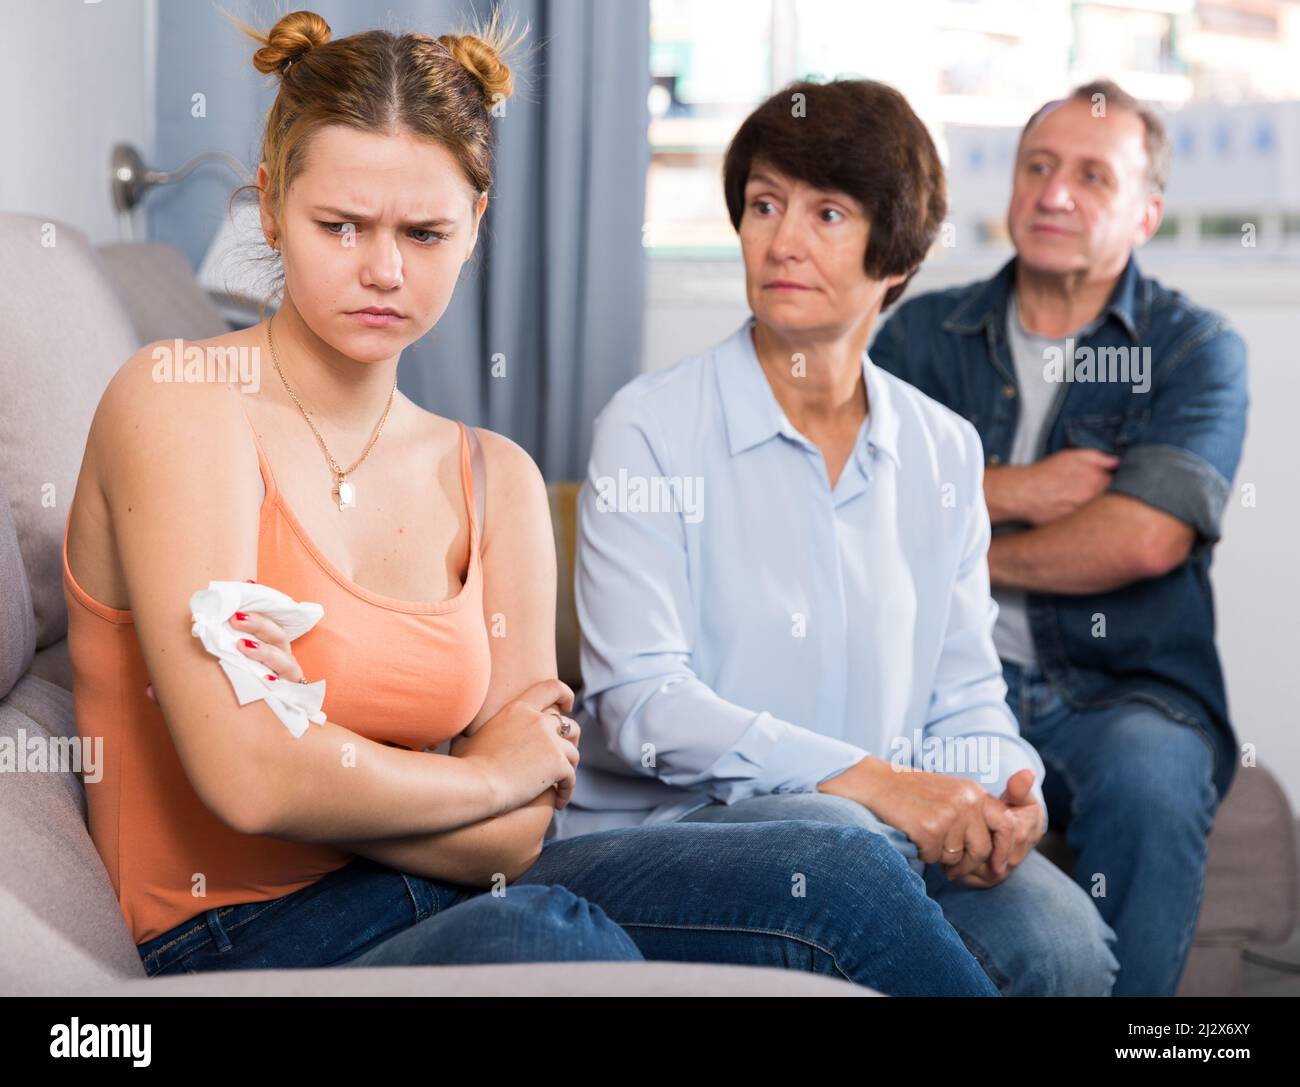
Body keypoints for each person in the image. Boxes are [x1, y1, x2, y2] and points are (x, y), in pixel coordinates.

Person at [60, 9, 998, 996]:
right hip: (235, 933)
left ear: (475, 224)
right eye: (339, 226)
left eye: (424, 232)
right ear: (268, 205)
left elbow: (521, 829)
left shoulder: (494, 475)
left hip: (467, 889)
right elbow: (248, 776)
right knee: (552, 937)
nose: (383, 269)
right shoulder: (180, 399)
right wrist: (482, 775)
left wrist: (452, 792)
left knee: (842, 876)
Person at [555, 78, 1118, 997]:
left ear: (895, 256)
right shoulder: (650, 424)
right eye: (765, 204)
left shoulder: (941, 446)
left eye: (827, 213)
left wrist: (1013, 793)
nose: (782, 240)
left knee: (1062, 940)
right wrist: (870, 780)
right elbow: (641, 705)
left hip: (879, 830)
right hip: (675, 829)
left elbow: (967, 693)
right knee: (848, 842)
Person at [868, 80, 1249, 996]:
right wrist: (1025, 491)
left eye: (1091, 175)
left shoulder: (1195, 348)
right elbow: (861, 510)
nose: (1054, 193)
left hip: (1123, 690)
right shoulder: (922, 333)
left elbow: (1145, 539)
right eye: (1036, 167)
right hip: (945, 691)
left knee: (1153, 783)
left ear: (1146, 212)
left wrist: (964, 533)